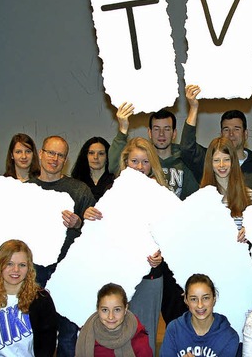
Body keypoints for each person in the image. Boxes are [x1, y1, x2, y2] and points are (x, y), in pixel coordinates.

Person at [85, 137, 169, 352]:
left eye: (145, 162)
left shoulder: (162, 194)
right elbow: (102, 231)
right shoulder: (112, 193)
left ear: (153, 165)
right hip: (118, 274)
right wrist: (90, 215)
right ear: (125, 163)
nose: (140, 167)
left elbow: (170, 235)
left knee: (145, 336)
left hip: (150, 277)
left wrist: (161, 254)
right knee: (115, 336)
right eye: (134, 161)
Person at [28, 135, 96, 357]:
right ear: (41, 153)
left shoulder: (79, 190)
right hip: (33, 270)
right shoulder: (26, 190)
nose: (54, 159)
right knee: (35, 330)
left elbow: (97, 230)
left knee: (68, 332)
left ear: (66, 159)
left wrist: (79, 223)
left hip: (68, 270)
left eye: (60, 155)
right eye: (50, 153)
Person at [182, 84, 252, 204]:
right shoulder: (208, 159)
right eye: (226, 129)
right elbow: (186, 148)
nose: (231, 134)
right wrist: (193, 108)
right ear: (220, 134)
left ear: (245, 134)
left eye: (236, 129)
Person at [0, 239, 57, 356]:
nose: (16, 270)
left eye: (22, 265)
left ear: (29, 268)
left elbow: (47, 345)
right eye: (9, 264)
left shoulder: (41, 299)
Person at [108, 105, 198, 200]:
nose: (161, 134)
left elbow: (194, 200)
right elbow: (115, 166)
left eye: (167, 129)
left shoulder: (185, 160)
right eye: (156, 129)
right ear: (149, 132)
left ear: (174, 133)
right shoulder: (141, 160)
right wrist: (123, 129)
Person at [160, 274, 239, 357]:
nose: (200, 305)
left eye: (205, 298)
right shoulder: (174, 330)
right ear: (186, 300)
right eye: (194, 299)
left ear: (214, 299)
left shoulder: (229, 336)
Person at [201, 136, 252, 242]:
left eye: (226, 159)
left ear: (233, 161)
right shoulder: (201, 199)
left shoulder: (250, 195)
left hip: (242, 256)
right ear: (210, 163)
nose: (222, 165)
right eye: (217, 160)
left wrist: (250, 232)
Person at [76, 283, 153, 357]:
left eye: (117, 310)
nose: (111, 317)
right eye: (105, 310)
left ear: (125, 308)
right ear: (97, 309)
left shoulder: (139, 340)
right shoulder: (86, 334)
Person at [71, 136, 115, 201]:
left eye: (101, 153)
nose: (95, 157)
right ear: (86, 156)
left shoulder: (115, 181)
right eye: (91, 153)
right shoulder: (75, 182)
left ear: (107, 157)